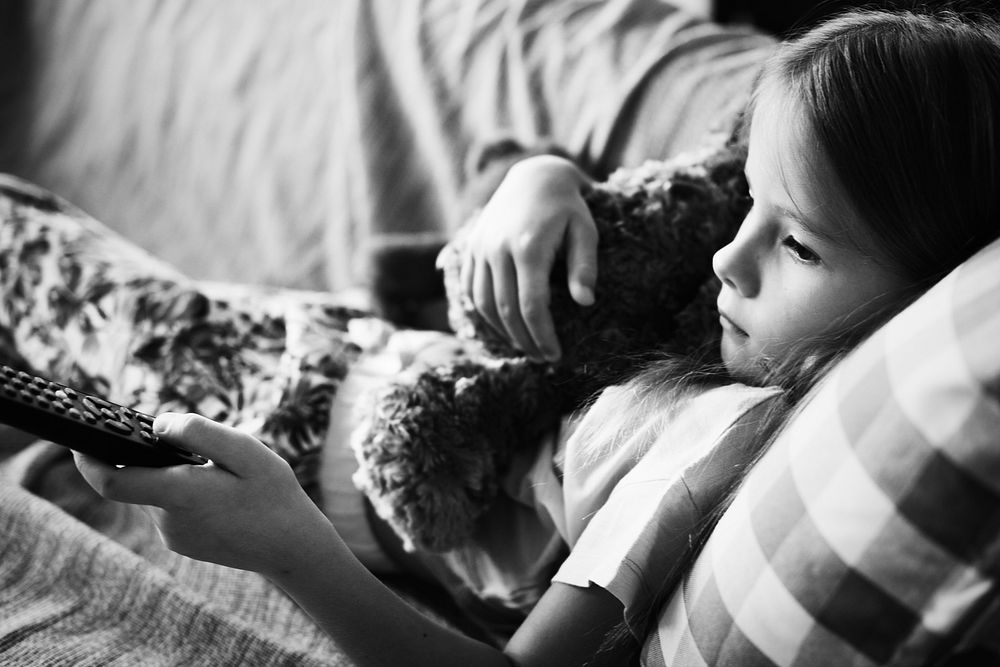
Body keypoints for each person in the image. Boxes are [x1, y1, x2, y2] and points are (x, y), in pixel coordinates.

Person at [74, 8, 1000, 666]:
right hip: (352, 357)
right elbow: (559, 224)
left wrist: (287, 543)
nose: (728, 255)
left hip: (292, 421)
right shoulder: (727, 354)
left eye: (795, 242)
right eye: (748, 203)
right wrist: (543, 176)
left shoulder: (721, 441)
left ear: (927, 287)